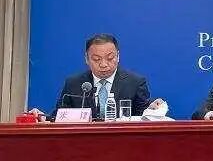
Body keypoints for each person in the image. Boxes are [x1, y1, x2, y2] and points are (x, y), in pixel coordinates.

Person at [29, 33, 166, 121]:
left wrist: (153, 108)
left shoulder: (135, 83)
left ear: (118, 56)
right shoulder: (74, 83)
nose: (104, 64)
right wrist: (42, 117)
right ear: (87, 59)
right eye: (96, 59)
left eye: (110, 58)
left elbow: (144, 116)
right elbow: (59, 117)